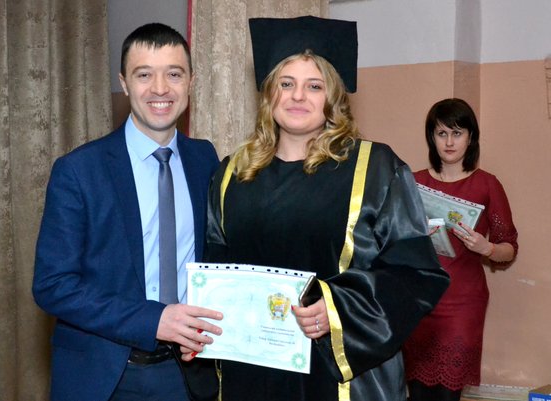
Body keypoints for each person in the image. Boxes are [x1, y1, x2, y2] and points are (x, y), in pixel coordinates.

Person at [185, 16, 450, 401]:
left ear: (333, 98)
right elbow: (217, 268)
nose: (298, 96)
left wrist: (339, 307)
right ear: (268, 93)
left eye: (314, 86)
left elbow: (418, 273)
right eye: (286, 84)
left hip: (341, 374)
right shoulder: (232, 174)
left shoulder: (374, 169)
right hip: (253, 371)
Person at [32, 23, 223, 401]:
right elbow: (53, 285)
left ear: (191, 82)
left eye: (174, 74)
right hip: (106, 377)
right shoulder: (79, 170)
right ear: (124, 83)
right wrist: (154, 320)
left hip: (188, 374)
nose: (160, 89)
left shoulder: (205, 159)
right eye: (144, 75)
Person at [403, 98, 518, 401]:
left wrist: (487, 247)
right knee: (417, 392)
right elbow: (392, 240)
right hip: (419, 300)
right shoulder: (413, 182)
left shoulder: (487, 184)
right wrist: (412, 236)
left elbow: (509, 249)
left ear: (471, 137)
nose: (450, 142)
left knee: (448, 392)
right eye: (442, 133)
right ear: (432, 138)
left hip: (463, 302)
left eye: (457, 133)